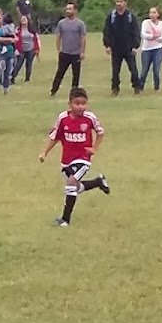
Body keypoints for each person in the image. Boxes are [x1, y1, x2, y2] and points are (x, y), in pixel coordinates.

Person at [39, 87, 110, 227]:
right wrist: (44, 152)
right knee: (75, 187)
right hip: (66, 160)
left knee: (71, 183)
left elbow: (100, 132)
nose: (81, 106)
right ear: (69, 104)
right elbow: (55, 137)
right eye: (77, 103)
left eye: (84, 103)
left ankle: (65, 220)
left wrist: (94, 148)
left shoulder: (90, 118)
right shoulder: (63, 118)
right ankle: (97, 182)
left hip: (83, 159)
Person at [103, 0, 141, 96]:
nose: (119, 4)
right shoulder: (111, 16)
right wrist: (107, 45)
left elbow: (136, 31)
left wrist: (135, 46)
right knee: (115, 71)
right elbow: (107, 31)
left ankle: (136, 87)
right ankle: (115, 89)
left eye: (121, 1)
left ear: (125, 3)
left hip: (129, 48)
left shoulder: (130, 17)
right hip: (115, 48)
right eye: (117, 2)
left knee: (133, 70)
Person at [50, 0, 87, 96]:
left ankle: (74, 93)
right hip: (65, 52)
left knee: (76, 75)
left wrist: (82, 51)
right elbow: (58, 36)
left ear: (75, 10)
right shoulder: (61, 23)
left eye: (70, 9)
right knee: (60, 72)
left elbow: (83, 38)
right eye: (67, 9)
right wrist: (59, 49)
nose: (68, 11)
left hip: (76, 53)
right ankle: (53, 90)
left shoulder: (80, 24)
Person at [138, 6, 162, 93]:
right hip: (146, 49)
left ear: (158, 14)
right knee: (144, 70)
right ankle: (140, 87)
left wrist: (153, 38)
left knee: (156, 69)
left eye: (154, 12)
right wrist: (153, 36)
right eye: (150, 12)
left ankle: (157, 87)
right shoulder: (145, 23)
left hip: (158, 49)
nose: (152, 14)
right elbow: (144, 35)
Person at [0, 12, 17, 95]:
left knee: (8, 71)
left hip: (10, 51)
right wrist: (10, 40)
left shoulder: (7, 27)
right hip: (0, 51)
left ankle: (6, 88)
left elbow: (15, 36)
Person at [10, 15, 41, 84]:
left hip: (31, 49)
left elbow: (36, 39)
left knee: (29, 65)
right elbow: (15, 40)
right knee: (18, 64)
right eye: (22, 19)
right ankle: (12, 78)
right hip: (21, 50)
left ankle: (27, 79)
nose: (23, 20)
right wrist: (16, 49)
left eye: (25, 19)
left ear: (28, 20)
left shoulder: (32, 29)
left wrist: (37, 49)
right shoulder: (17, 29)